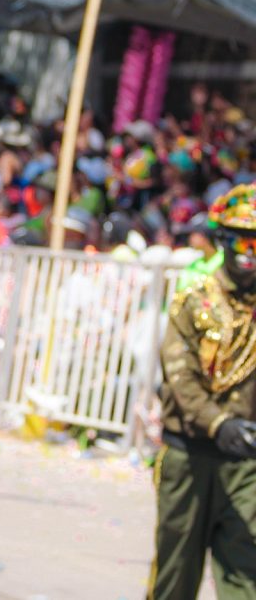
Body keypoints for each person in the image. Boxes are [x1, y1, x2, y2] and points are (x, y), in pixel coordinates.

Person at [150, 182, 256, 599]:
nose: (250, 253)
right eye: (242, 241)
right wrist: (218, 423)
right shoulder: (193, 301)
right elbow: (180, 377)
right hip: (189, 455)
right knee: (176, 575)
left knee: (244, 578)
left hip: (245, 462)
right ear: (223, 241)